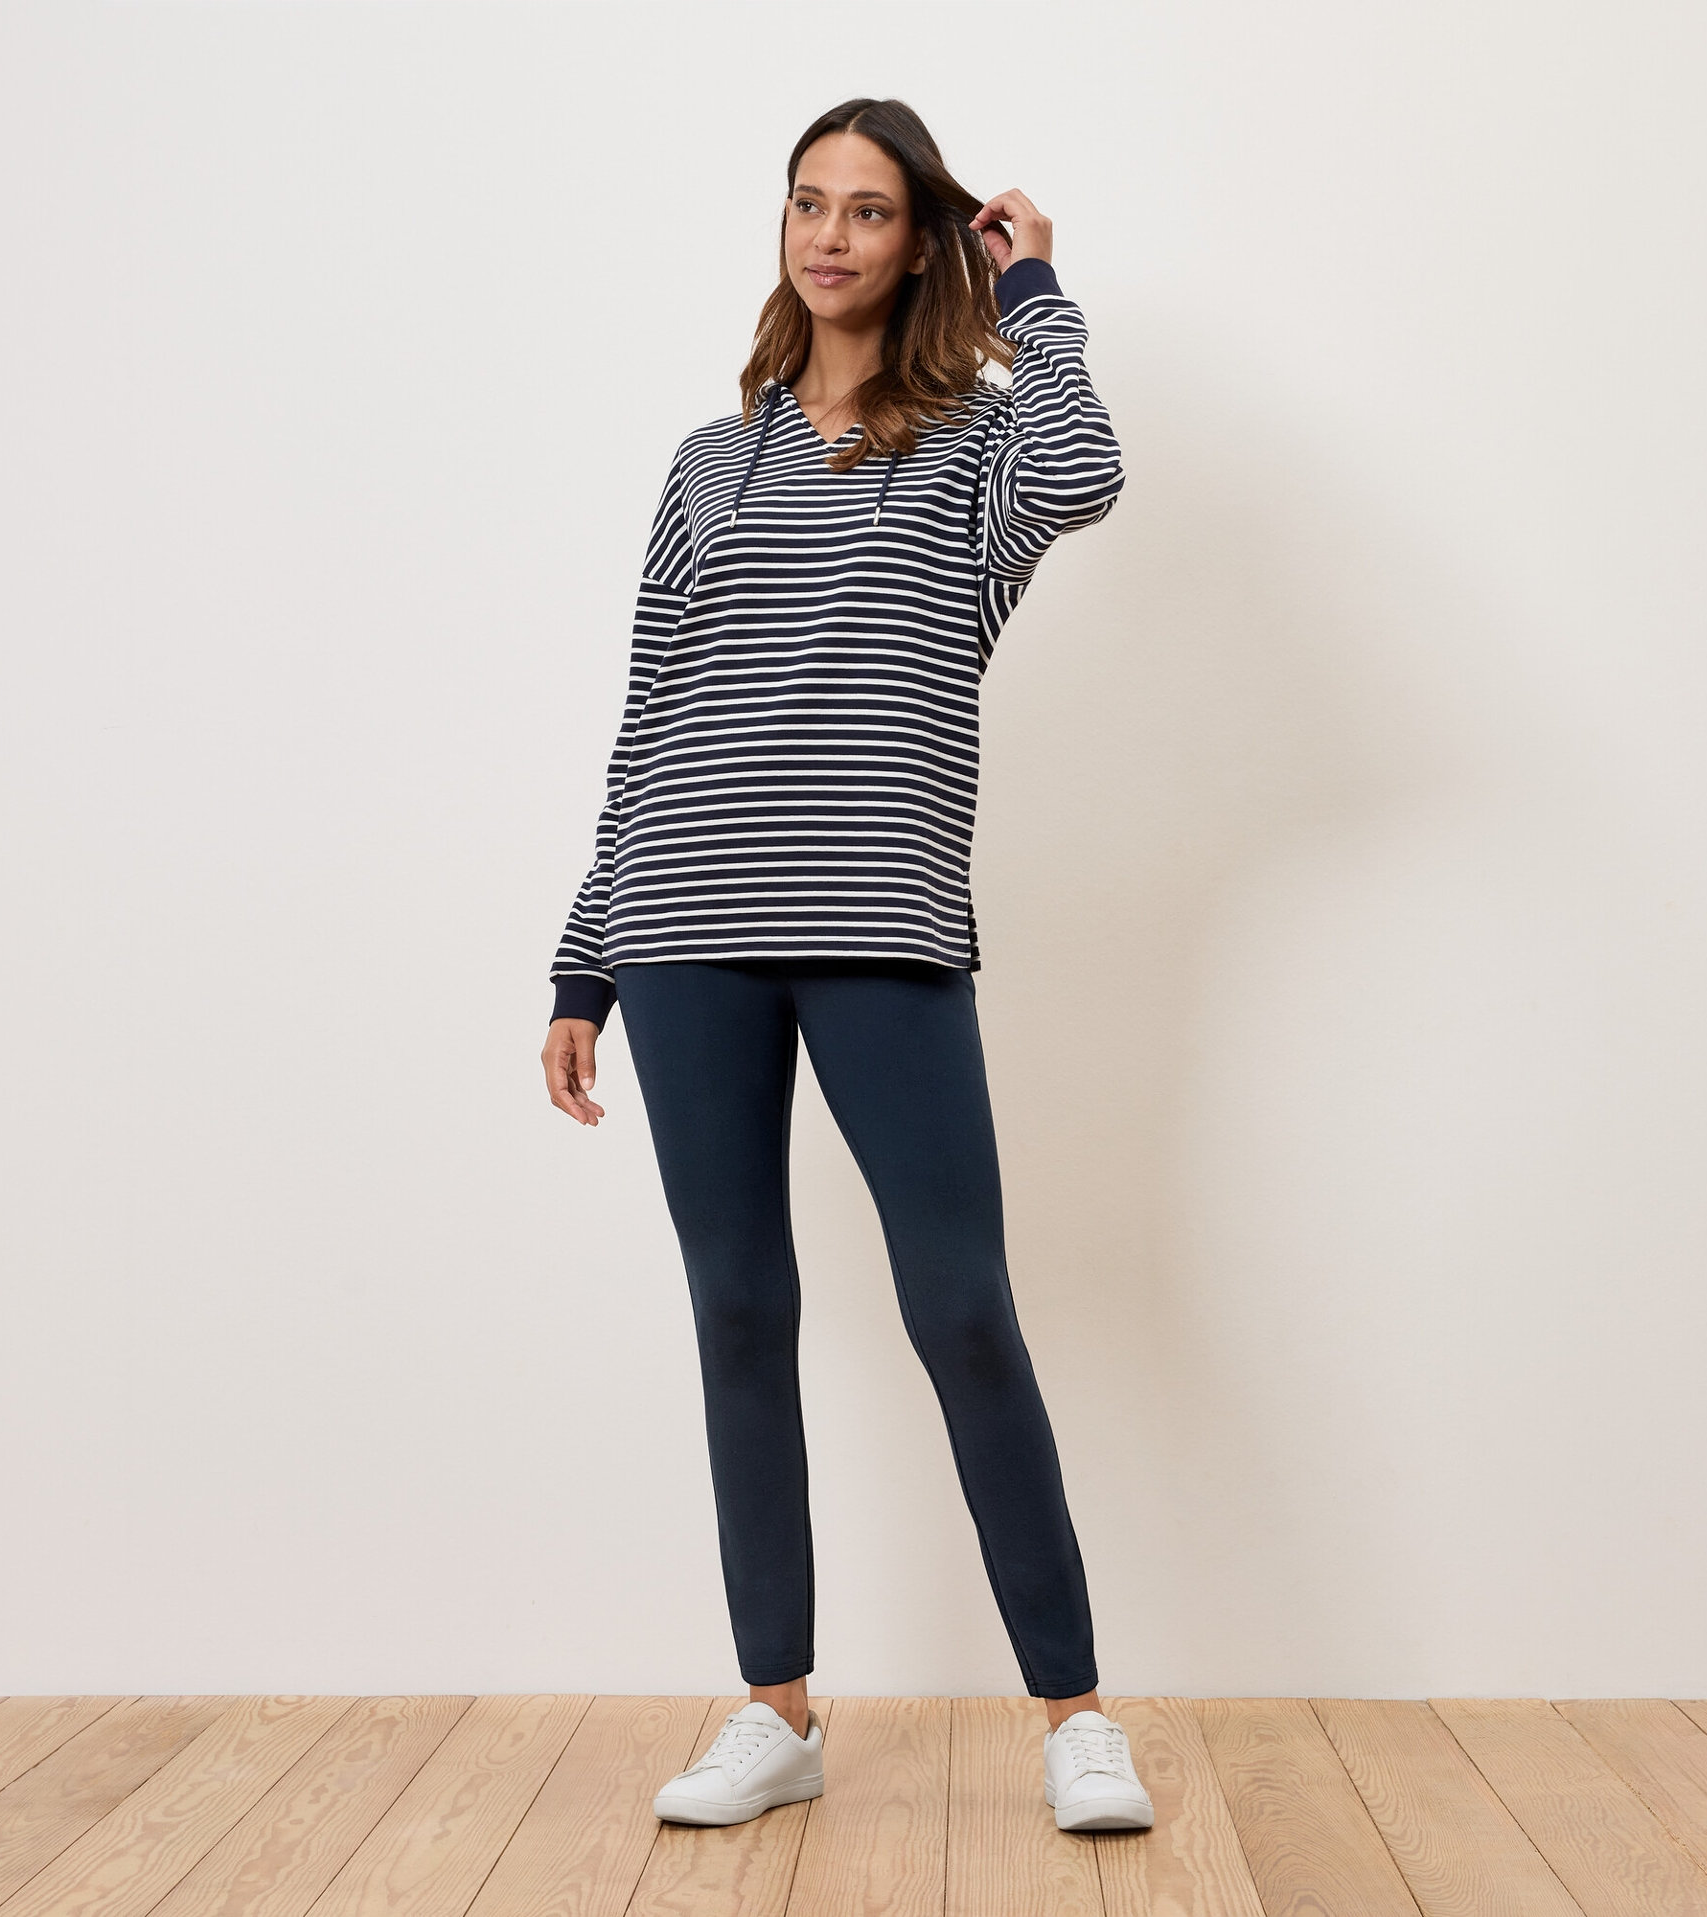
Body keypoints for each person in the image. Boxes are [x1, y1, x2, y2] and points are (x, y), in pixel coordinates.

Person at [541, 96, 1151, 1836]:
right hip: (683, 936)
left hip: (880, 927)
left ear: (922, 238)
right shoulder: (704, 460)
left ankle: (1074, 1713)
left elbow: (1088, 473)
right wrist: (585, 961)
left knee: (961, 1308)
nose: (829, 236)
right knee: (740, 1310)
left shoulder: (969, 447)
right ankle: (775, 1705)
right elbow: (651, 717)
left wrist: (1035, 294)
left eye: (870, 211)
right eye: (808, 203)